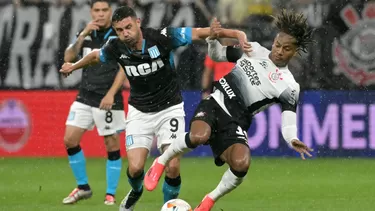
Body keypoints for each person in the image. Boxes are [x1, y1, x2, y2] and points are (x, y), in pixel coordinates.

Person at [59, 5, 249, 211]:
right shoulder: (115, 46)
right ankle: (136, 190)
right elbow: (95, 56)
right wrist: (73, 66)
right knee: (135, 168)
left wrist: (234, 33)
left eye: (128, 27)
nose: (125, 33)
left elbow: (198, 33)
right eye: (120, 30)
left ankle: (166, 206)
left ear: (138, 22)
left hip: (170, 108)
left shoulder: (161, 37)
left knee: (173, 166)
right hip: (139, 112)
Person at [144, 10, 315, 211]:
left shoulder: (290, 86)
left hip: (236, 122)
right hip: (215, 103)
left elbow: (288, 121)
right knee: (199, 135)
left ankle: (209, 200)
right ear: (274, 41)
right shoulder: (253, 50)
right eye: (277, 45)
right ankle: (161, 161)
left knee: (242, 163)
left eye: (286, 49)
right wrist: (213, 39)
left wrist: (292, 139)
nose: (278, 51)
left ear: (294, 52)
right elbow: (216, 55)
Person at [62, 0, 126, 206]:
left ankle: (110, 194)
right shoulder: (86, 33)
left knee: (111, 143)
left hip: (108, 97)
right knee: (70, 139)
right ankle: (83, 187)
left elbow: (124, 68)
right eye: (96, 10)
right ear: (91, 12)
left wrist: (111, 94)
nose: (100, 14)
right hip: (85, 95)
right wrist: (81, 35)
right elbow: (68, 58)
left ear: (110, 12)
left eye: (104, 10)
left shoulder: (119, 35)